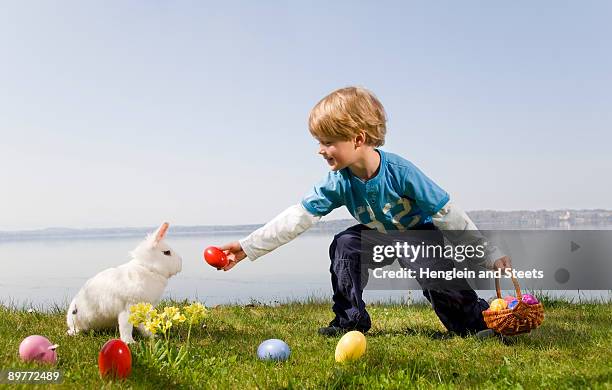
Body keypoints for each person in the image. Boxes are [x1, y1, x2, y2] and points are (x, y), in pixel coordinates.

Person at [219, 86, 511, 337]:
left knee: (435, 274)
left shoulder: (400, 172)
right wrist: (247, 247)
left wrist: (486, 252)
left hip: (417, 235)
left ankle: (474, 322)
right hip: (378, 235)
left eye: (328, 142)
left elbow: (446, 213)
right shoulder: (338, 181)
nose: (320, 150)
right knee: (346, 244)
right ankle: (350, 320)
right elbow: (297, 217)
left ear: (358, 139)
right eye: (319, 142)